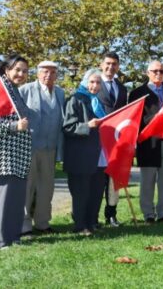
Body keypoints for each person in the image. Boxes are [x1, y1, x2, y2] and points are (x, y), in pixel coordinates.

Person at [0, 55, 32, 249]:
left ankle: (12, 238)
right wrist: (14, 126)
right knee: (2, 202)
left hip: (18, 157)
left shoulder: (15, 91)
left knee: (15, 201)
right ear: (6, 70)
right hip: (3, 156)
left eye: (25, 71)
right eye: (17, 69)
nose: (21, 74)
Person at [129, 61, 163, 223]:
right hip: (148, 142)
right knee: (147, 180)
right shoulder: (137, 93)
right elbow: (133, 121)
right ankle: (148, 214)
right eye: (155, 71)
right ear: (147, 72)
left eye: (162, 71)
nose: (159, 74)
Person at [19, 60, 65, 235]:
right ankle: (24, 226)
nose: (48, 75)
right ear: (37, 73)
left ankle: (43, 223)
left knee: (47, 186)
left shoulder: (60, 92)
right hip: (29, 146)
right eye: (45, 71)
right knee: (28, 187)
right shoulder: (26, 90)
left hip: (50, 147)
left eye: (52, 72)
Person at [62, 69, 107, 235]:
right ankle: (80, 225)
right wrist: (87, 126)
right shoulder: (74, 99)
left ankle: (92, 222)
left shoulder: (97, 102)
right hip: (79, 156)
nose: (95, 86)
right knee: (81, 192)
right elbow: (67, 127)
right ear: (85, 82)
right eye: (92, 82)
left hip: (97, 154)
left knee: (96, 190)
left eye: (98, 82)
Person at [96, 51, 127, 227]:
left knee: (113, 180)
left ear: (118, 66)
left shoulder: (122, 88)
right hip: (97, 140)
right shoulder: (92, 84)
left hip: (116, 141)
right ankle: (92, 216)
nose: (110, 67)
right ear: (101, 64)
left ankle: (111, 215)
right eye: (107, 63)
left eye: (114, 64)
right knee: (97, 179)